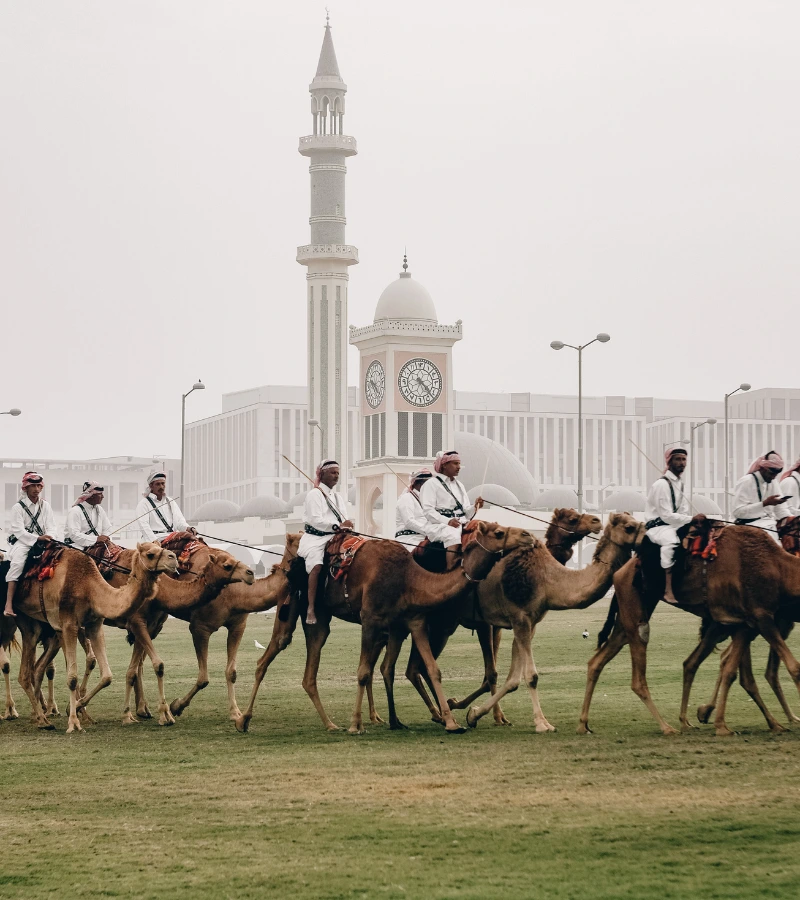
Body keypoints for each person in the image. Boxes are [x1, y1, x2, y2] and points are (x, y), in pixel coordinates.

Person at [298, 459, 353, 625]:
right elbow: (316, 520)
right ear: (322, 475)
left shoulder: (338, 497)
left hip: (336, 536)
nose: (336, 476)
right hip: (316, 539)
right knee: (316, 565)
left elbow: (343, 517)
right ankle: (311, 608)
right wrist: (338, 526)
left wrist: (347, 525)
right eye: (332, 473)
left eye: (337, 473)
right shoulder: (314, 494)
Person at [4, 472, 56, 617]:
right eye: (33, 485)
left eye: (39, 486)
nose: (36, 489)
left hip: (45, 541)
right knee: (17, 564)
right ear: (26, 487)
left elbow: (52, 526)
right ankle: (8, 604)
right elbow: (19, 531)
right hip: (23, 542)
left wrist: (50, 537)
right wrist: (38, 538)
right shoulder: (18, 507)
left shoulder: (45, 505)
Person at [644, 447, 692, 604]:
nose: (681, 463)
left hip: (674, 524)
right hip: (658, 527)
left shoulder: (681, 485)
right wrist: (691, 519)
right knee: (671, 542)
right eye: (677, 459)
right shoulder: (661, 485)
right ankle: (668, 589)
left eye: (684, 459)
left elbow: (683, 512)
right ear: (669, 461)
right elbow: (666, 516)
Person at [420, 450, 483, 551]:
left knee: (482, 529)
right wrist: (448, 521)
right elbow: (428, 511)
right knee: (453, 535)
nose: (459, 467)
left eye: (459, 464)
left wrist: (475, 507)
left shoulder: (460, 485)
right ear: (444, 465)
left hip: (461, 522)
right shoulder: (431, 484)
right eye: (455, 463)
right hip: (439, 526)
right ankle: (452, 565)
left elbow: (466, 513)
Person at [732, 451, 791, 540]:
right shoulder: (746, 481)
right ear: (762, 468)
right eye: (771, 473)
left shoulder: (772, 482)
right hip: (749, 528)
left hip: (769, 527)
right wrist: (764, 504)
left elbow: (781, 510)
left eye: (776, 474)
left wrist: (792, 520)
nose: (774, 477)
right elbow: (738, 512)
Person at [135, 469, 189, 542]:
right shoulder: (143, 504)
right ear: (151, 486)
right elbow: (144, 527)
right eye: (158, 484)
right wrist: (154, 541)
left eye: (163, 483)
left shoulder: (171, 502)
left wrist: (188, 528)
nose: (161, 486)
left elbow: (180, 522)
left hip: (172, 538)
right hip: (155, 539)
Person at [64, 482, 113, 549]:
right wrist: (96, 539)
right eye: (100, 494)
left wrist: (104, 538)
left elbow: (107, 528)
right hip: (76, 546)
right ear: (91, 495)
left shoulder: (100, 510)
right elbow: (74, 534)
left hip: (97, 545)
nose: (103, 496)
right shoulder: (75, 511)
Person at [395, 469, 433, 549]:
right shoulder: (406, 498)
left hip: (425, 539)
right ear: (418, 484)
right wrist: (429, 531)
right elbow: (409, 522)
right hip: (409, 540)